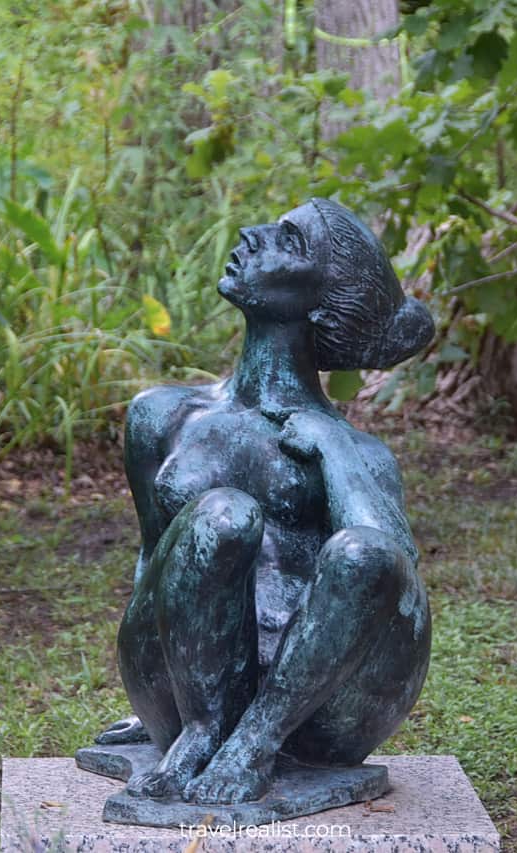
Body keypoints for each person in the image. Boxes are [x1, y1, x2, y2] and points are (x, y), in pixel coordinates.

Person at [96, 197, 434, 805]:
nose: (253, 235)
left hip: (322, 712)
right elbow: (154, 559)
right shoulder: (162, 415)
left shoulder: (357, 449)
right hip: (184, 685)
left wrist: (332, 447)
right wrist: (152, 701)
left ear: (323, 302)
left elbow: (390, 567)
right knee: (221, 515)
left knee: (365, 547)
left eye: (290, 241)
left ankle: (254, 742)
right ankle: (204, 733)